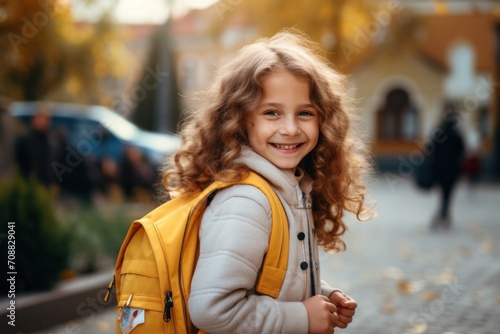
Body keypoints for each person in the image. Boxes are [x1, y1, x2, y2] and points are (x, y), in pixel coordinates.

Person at [161, 30, 373, 334]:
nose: (290, 128)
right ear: (240, 119)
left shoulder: (289, 188)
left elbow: (272, 278)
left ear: (323, 120)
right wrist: (303, 317)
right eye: (271, 112)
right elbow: (212, 310)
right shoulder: (247, 201)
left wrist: (322, 297)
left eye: (305, 113)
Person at [430, 108, 465, 230]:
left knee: (443, 193)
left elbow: (430, 150)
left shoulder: (438, 133)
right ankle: (444, 214)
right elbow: (461, 152)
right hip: (452, 170)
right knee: (447, 194)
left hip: (438, 169)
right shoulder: (456, 135)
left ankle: (442, 214)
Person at [14, 104, 56, 187]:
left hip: (44, 186)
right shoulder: (24, 142)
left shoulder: (49, 142)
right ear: (33, 120)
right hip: (28, 185)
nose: (44, 122)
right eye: (41, 118)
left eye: (47, 119)